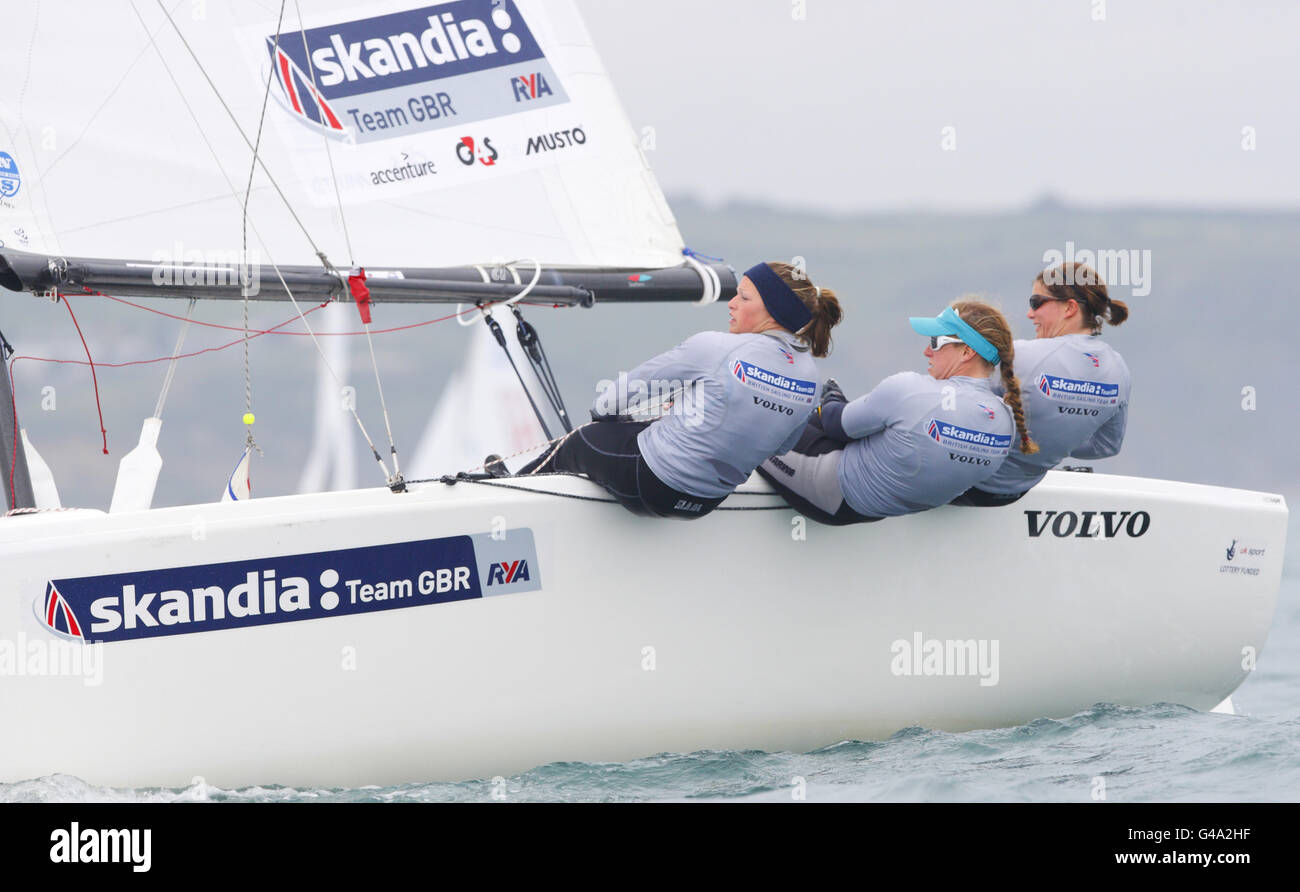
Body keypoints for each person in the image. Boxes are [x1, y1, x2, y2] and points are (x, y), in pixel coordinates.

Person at [514, 262, 843, 519]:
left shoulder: (717, 347)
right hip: (704, 503)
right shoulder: (810, 376)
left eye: (743, 297)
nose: (731, 304)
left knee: (581, 440)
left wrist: (607, 418)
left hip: (649, 483)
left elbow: (614, 398)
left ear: (774, 310)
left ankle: (509, 490)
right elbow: (782, 445)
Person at [756, 300, 1035, 524]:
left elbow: (832, 424)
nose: (927, 351)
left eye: (936, 341)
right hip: (877, 509)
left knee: (755, 412)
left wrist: (831, 394)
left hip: (828, 492)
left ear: (967, 353)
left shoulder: (910, 389)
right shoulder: (1006, 419)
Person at [952, 263, 1131, 506]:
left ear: (1069, 307)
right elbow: (1106, 446)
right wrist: (1059, 438)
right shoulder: (1118, 368)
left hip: (964, 486)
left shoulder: (1023, 355)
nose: (1029, 313)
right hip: (1012, 496)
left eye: (1037, 302)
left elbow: (948, 397)